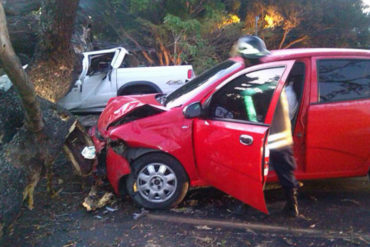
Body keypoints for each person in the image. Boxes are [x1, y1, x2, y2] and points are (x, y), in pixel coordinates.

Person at [268, 90, 299, 217]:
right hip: (280, 138)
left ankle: (292, 206)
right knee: (285, 171)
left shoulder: (273, 89)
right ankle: (292, 205)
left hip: (277, 138)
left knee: (284, 171)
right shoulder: (282, 90)